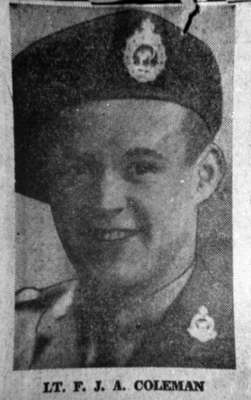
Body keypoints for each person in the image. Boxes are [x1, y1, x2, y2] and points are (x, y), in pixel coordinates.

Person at [13, 9, 235, 369]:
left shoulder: (238, 330)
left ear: (204, 176)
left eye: (142, 168)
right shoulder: (19, 337)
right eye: (77, 169)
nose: (105, 201)